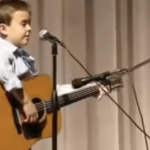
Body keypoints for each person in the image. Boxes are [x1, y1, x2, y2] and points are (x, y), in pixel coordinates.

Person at [0, 0, 110, 149]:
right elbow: (5, 73)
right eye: (23, 23)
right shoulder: (2, 50)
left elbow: (48, 96)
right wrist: (25, 103)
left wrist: (89, 89)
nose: (30, 28)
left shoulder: (22, 58)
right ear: (3, 29)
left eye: (30, 23)